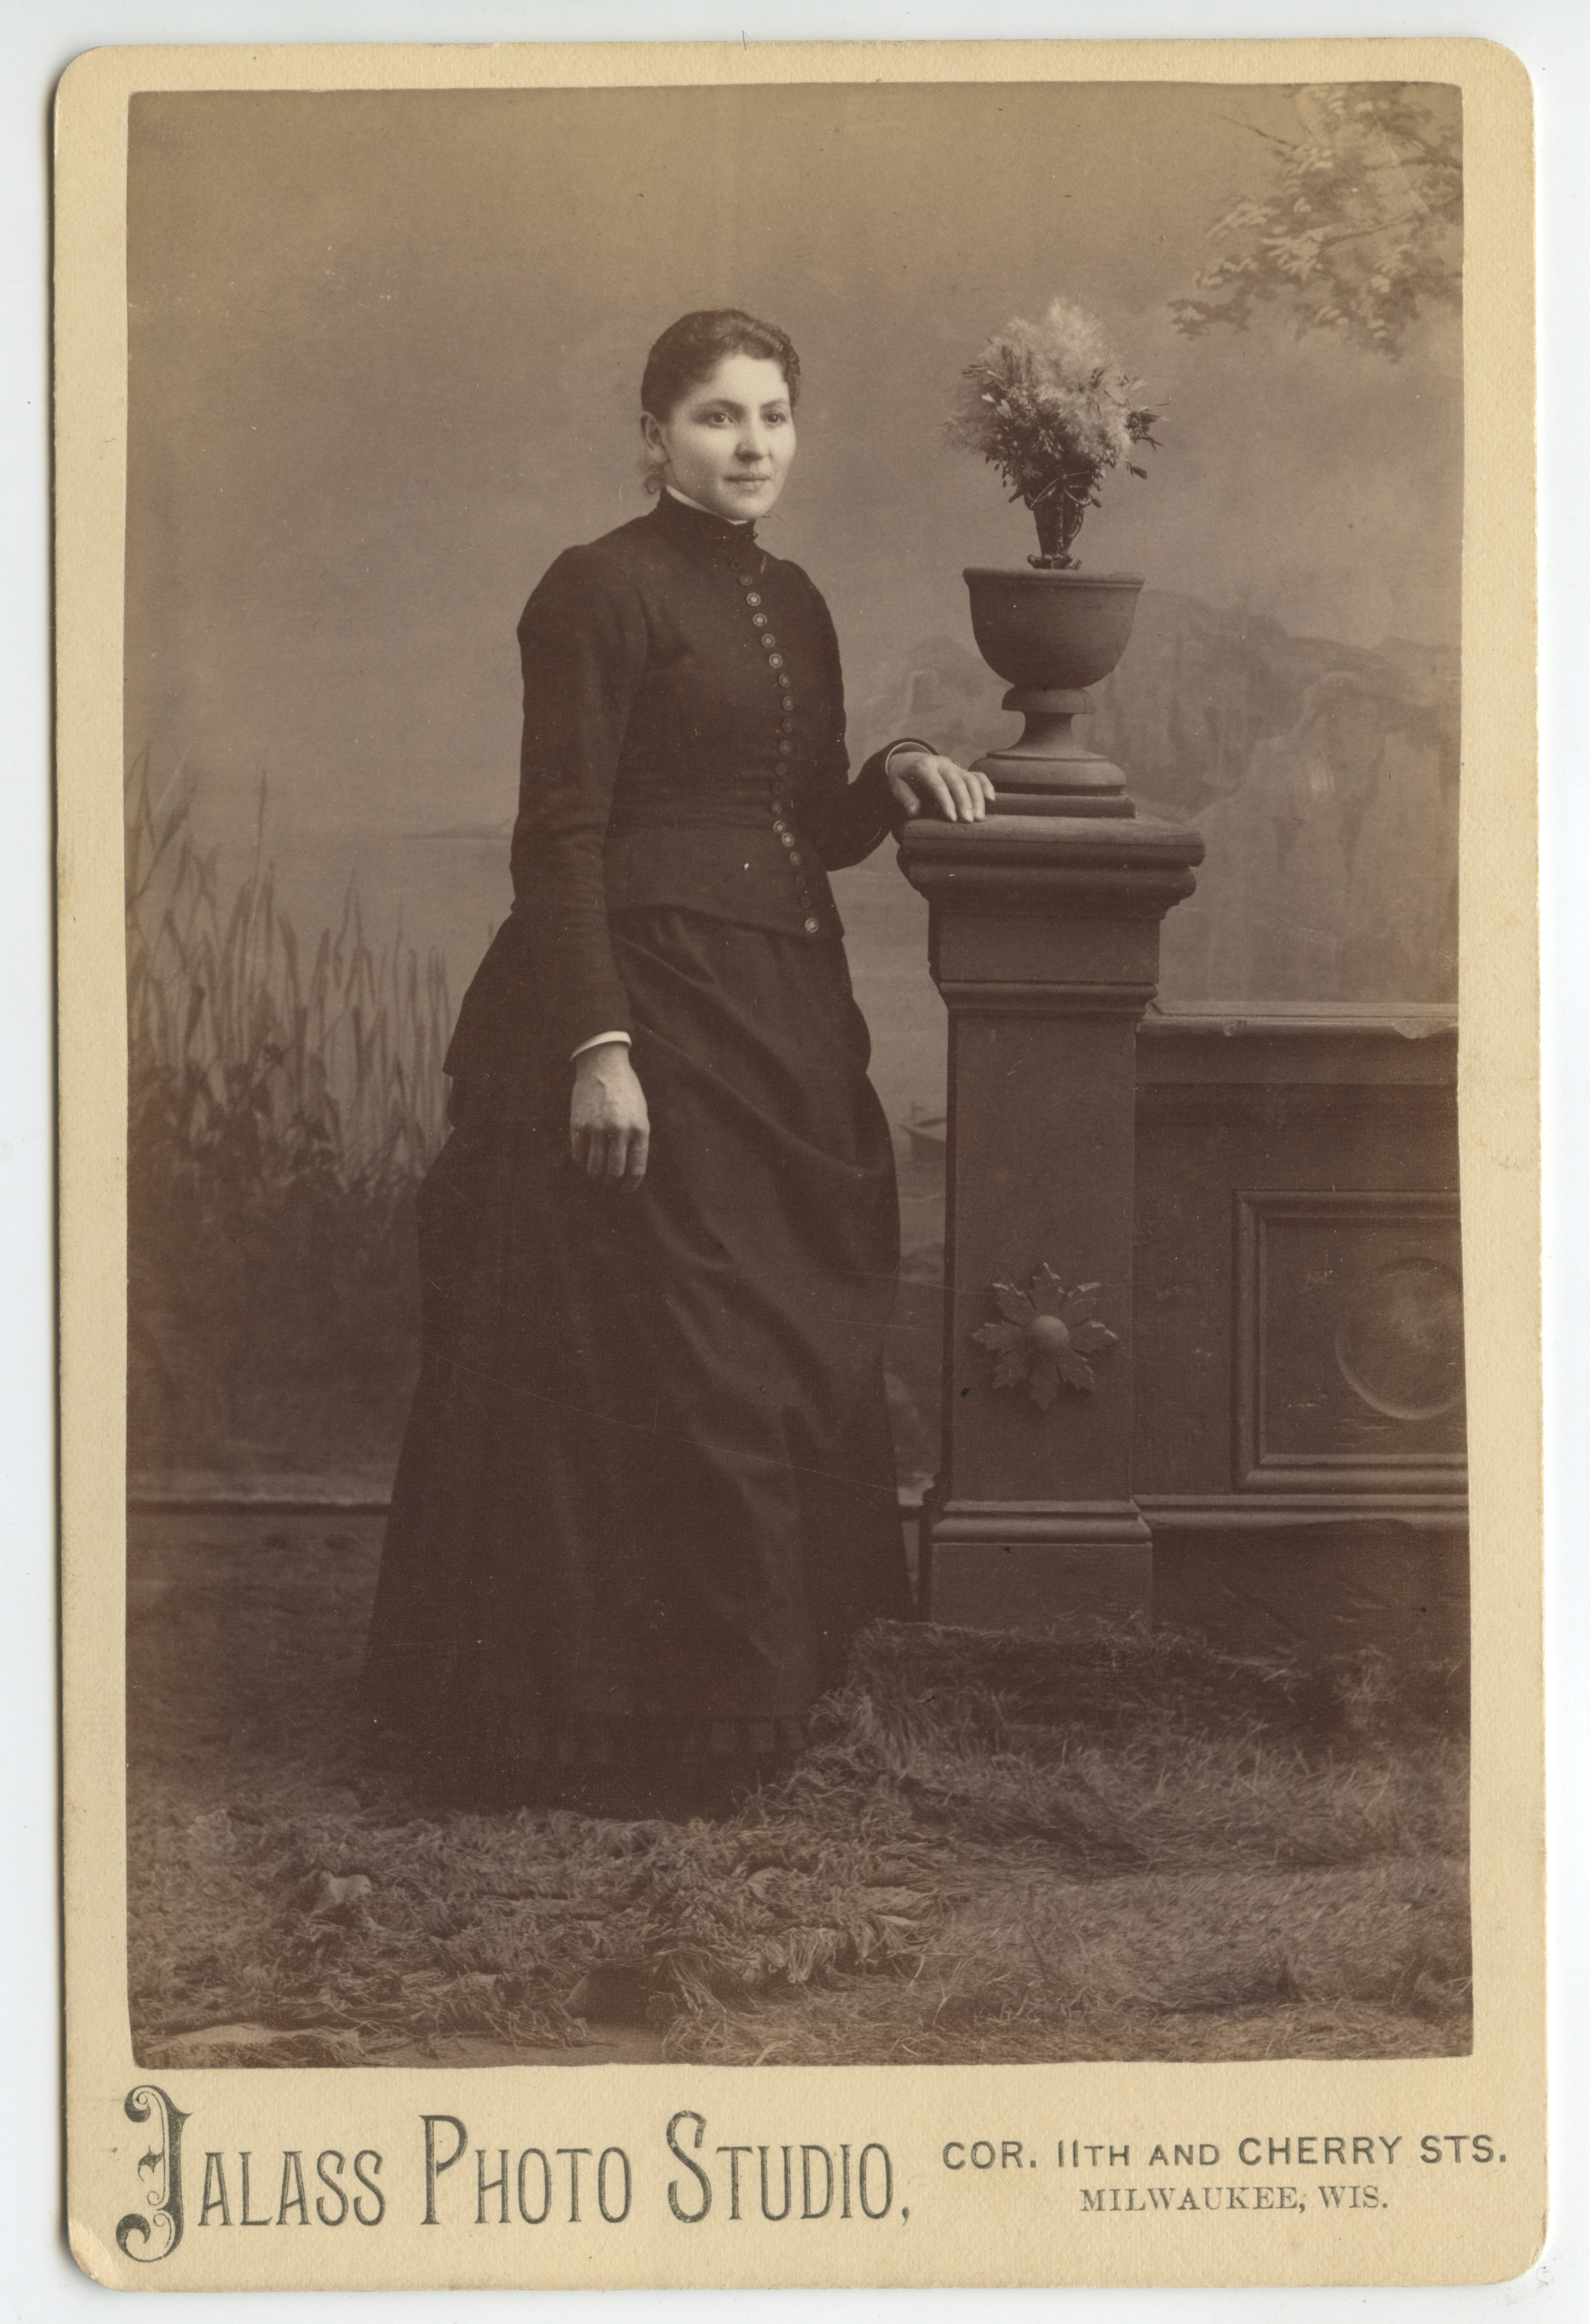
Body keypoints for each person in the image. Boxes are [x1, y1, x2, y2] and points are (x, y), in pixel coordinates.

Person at [360, 308, 991, 1815]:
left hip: (778, 1009)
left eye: (773, 415)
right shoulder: (595, 589)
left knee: (769, 1346)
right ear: (654, 438)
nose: (751, 444)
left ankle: (758, 1691)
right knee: (676, 1357)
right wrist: (598, 1045)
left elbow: (802, 823)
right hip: (642, 1005)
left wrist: (894, 772)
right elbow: (561, 835)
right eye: (717, 417)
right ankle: (632, 1719)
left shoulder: (796, 598)